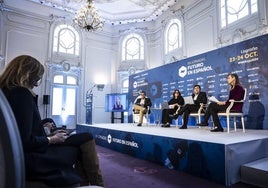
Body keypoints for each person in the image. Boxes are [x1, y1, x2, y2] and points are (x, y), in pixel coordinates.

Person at [0, 55, 104, 187]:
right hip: (32, 159)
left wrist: (44, 129)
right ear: (27, 75)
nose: (36, 83)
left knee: (84, 137)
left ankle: (90, 184)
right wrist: (51, 139)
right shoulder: (21, 93)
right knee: (82, 144)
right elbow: (24, 141)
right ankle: (97, 184)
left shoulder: (5, 92)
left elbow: (18, 128)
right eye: (37, 78)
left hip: (22, 154)